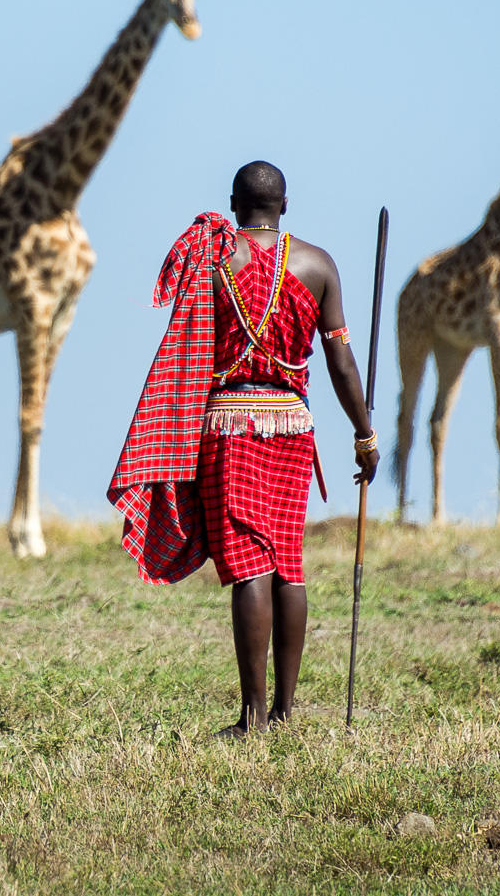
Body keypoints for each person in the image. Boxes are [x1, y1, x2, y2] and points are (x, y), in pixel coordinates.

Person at [107, 161, 378, 736]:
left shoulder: (212, 260)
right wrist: (364, 433)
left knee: (249, 564)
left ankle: (254, 715)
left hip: (227, 425)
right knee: (288, 563)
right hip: (292, 427)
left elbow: (184, 356)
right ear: (286, 205)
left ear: (234, 203)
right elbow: (342, 360)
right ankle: (284, 710)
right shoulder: (318, 264)